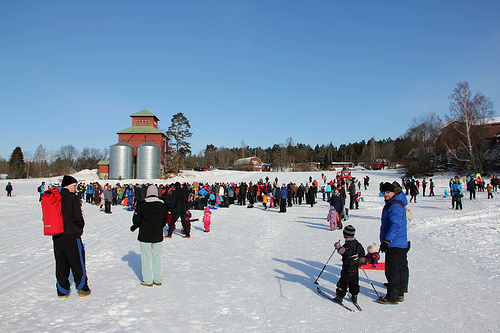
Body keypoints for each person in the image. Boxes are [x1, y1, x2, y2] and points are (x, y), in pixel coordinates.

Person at [52, 175, 91, 299]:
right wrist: (81, 226)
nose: (75, 188)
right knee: (77, 263)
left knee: (61, 264)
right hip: (72, 235)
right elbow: (77, 217)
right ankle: (82, 288)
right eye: (74, 185)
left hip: (57, 236)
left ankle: (62, 291)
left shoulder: (55, 197)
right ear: (68, 185)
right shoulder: (72, 198)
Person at [130, 185, 168, 286]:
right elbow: (165, 219)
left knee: (146, 257)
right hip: (157, 235)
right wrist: (159, 226)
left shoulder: (142, 205)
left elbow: (136, 219)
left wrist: (136, 225)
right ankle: (157, 278)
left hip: (145, 235)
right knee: (157, 256)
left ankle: (148, 280)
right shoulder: (163, 206)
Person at [378, 182, 408, 304]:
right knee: (399, 269)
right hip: (398, 242)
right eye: (383, 193)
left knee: (392, 270)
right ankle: (400, 293)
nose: (385, 195)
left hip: (394, 243)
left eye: (387, 192)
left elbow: (395, 225)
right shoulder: (394, 203)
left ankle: (392, 296)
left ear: (393, 193)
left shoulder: (394, 205)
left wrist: (387, 240)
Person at [333, 225, 365, 304]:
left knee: (343, 282)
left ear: (345, 235)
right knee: (354, 282)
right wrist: (361, 260)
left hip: (347, 267)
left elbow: (345, 253)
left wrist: (338, 247)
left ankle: (339, 297)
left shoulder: (348, 245)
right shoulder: (358, 244)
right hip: (355, 267)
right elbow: (362, 253)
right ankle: (354, 295)